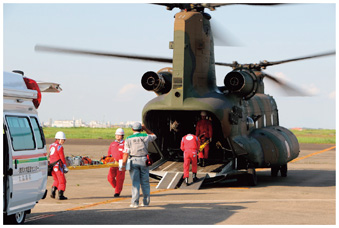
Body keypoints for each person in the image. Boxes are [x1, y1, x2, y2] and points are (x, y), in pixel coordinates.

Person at [121, 122, 156, 208]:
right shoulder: (145, 136)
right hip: (144, 160)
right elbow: (154, 136)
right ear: (141, 129)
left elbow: (126, 153)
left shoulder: (128, 139)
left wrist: (123, 165)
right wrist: (146, 128)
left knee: (135, 183)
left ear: (132, 129)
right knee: (145, 182)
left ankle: (135, 203)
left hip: (134, 160)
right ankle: (146, 202)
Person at [49, 131, 69, 200]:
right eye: (63, 140)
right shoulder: (59, 147)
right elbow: (62, 158)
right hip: (58, 166)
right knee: (62, 181)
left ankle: (53, 191)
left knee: (56, 180)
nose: (64, 141)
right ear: (59, 139)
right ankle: (60, 195)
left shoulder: (51, 145)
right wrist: (65, 166)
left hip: (51, 166)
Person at [107, 128, 126, 197]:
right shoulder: (112, 144)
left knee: (120, 179)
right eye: (117, 135)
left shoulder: (125, 144)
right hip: (113, 164)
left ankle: (117, 192)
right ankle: (116, 186)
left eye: (119, 135)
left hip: (121, 164)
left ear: (122, 136)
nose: (118, 136)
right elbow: (109, 153)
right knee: (110, 177)